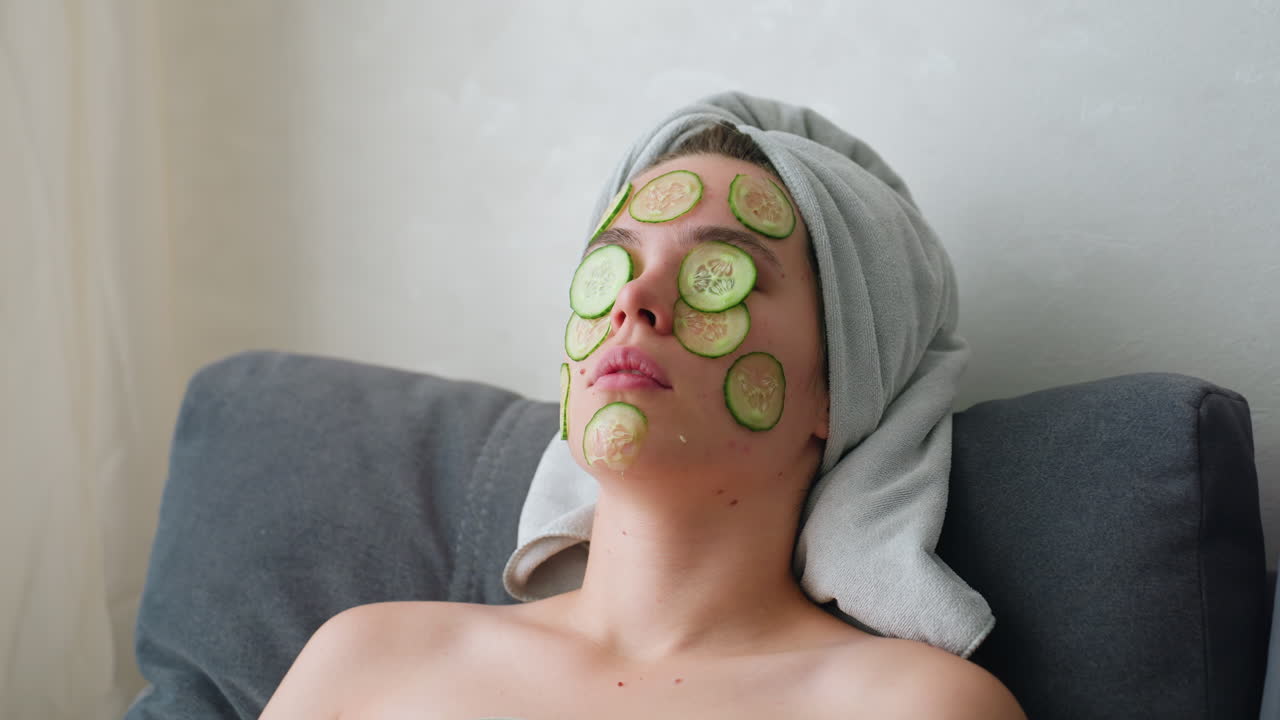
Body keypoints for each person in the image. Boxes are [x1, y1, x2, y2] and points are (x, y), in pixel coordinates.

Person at [260, 110, 1027, 719]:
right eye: (616, 260)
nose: (634, 298)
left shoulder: (912, 705)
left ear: (840, 387)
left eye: (718, 272)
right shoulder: (364, 658)